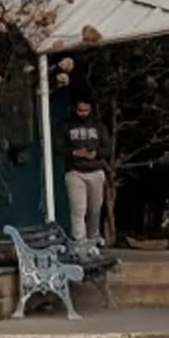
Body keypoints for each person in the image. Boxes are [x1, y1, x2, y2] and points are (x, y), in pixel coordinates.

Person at [61, 99, 108, 244]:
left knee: (95, 209)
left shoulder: (98, 126)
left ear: (90, 109)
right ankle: (79, 240)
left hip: (95, 171)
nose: (83, 114)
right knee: (78, 209)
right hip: (75, 171)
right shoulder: (66, 125)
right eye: (80, 110)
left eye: (85, 111)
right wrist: (74, 153)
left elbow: (108, 148)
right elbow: (58, 147)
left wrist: (95, 153)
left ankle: (93, 237)